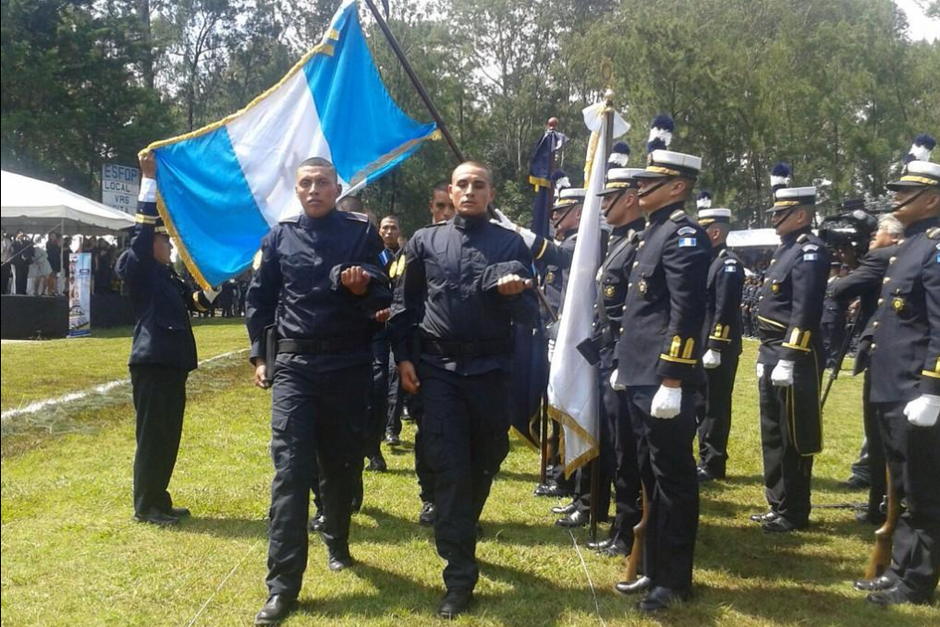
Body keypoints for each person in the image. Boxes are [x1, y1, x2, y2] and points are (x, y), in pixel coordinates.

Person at [245, 157, 391, 626]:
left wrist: (362, 285)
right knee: (290, 471)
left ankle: (338, 540)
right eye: (305, 183)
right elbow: (260, 300)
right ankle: (282, 587)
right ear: (296, 189)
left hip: (347, 364)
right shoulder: (279, 237)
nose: (314, 190)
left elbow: (384, 294)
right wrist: (260, 357)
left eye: (322, 183)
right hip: (294, 368)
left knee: (340, 463)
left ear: (335, 187)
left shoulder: (361, 233)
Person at [389, 161, 537, 618]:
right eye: (462, 185)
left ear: (491, 193)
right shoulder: (424, 241)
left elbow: (532, 312)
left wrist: (516, 293)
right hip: (440, 371)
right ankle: (459, 574)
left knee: (486, 459)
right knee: (450, 466)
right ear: (450, 193)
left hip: (492, 370)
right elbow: (405, 305)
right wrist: (405, 358)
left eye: (479, 185)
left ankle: (460, 527)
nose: (470, 191)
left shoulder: (511, 244)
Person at [612, 115, 710, 611]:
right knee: (650, 477)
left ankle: (672, 580)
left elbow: (686, 311)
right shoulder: (651, 233)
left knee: (672, 480)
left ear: (677, 186)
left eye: (648, 182)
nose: (639, 189)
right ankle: (651, 568)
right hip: (640, 375)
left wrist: (673, 375)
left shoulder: (683, 235)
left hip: (662, 379)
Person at [855, 137, 939, 607]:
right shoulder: (910, 244)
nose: (895, 199)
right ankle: (902, 568)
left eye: (906, 193)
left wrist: (933, 387)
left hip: (915, 387)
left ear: (932, 200)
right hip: (892, 386)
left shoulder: (935, 245)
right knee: (903, 485)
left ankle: (918, 582)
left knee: (925, 490)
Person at [115, 151, 220, 527]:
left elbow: (195, 304)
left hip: (172, 362)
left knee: (167, 435)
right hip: (153, 361)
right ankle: (145, 505)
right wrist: (149, 179)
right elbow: (142, 232)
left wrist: (213, 284)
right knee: (153, 436)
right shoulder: (139, 263)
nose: (171, 246)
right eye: (166, 239)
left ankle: (158, 498)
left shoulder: (166, 275)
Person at [751, 162, 829, 533]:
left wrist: (789, 357)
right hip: (770, 351)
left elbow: (806, 309)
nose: (774, 220)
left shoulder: (809, 251)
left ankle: (795, 510)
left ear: (801, 215)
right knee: (772, 431)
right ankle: (777, 501)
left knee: (794, 435)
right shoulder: (784, 250)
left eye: (780, 214)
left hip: (792, 354)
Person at [581, 149, 645, 556]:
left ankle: (628, 532)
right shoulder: (619, 241)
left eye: (610, 197)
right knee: (617, 446)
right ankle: (621, 526)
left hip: (625, 359)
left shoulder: (639, 242)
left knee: (628, 451)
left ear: (631, 198)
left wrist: (621, 356)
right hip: (608, 356)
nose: (602, 205)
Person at [829, 212, 901, 526]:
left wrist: (858, 261)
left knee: (879, 436)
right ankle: (885, 503)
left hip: (886, 356)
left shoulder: (882, 257)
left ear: (893, 237)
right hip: (900, 357)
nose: (871, 239)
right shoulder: (904, 255)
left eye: (878, 234)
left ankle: (880, 508)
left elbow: (842, 289)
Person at [695, 193, 745, 482]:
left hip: (718, 347)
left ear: (715, 232)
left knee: (714, 405)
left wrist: (715, 345)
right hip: (701, 344)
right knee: (701, 403)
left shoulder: (727, 264)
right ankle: (705, 455)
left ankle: (713, 462)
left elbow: (725, 309)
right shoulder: (708, 262)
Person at [379, 214, 406, 446]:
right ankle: (377, 426)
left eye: (393, 228)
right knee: (378, 378)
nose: (389, 232)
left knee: (396, 374)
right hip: (375, 326)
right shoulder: (372, 255)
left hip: (398, 324)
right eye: (385, 228)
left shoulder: (407, 256)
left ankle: (392, 428)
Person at [11, 230, 33, 294]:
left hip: (25, 262)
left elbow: (31, 248)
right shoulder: (15, 242)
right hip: (18, 262)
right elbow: (13, 246)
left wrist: (28, 237)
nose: (21, 235)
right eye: (20, 234)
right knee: (18, 277)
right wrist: (17, 238)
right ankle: (18, 291)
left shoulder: (26, 242)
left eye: (22, 234)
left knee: (24, 276)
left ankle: (24, 290)